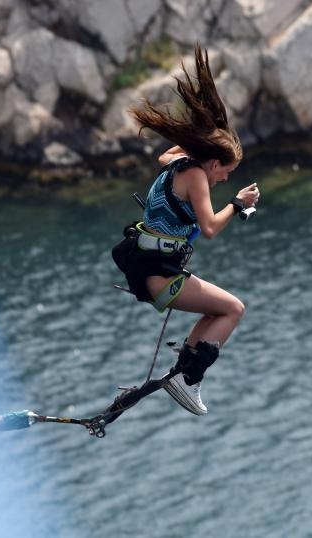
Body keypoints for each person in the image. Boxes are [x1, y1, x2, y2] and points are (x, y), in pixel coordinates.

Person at [111, 44, 260, 416]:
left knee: (215, 313)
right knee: (233, 310)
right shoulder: (195, 173)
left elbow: (167, 154)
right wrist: (237, 205)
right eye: (224, 171)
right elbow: (209, 227)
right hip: (159, 276)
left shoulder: (176, 162)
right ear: (211, 163)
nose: (225, 177)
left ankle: (183, 374)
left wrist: (202, 139)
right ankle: (188, 380)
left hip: (148, 269)